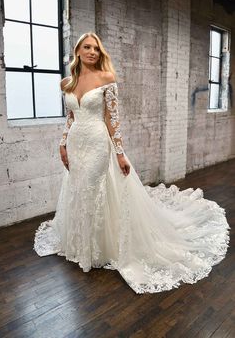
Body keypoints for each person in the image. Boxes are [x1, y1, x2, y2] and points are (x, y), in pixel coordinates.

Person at [34, 32, 230, 294]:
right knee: (78, 190)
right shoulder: (67, 82)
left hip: (97, 143)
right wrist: (62, 144)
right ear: (78, 50)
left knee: (94, 190)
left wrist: (119, 152)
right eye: (87, 47)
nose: (92, 51)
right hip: (76, 144)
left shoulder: (106, 79)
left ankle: (95, 249)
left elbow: (112, 120)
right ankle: (78, 243)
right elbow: (70, 117)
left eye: (96, 48)